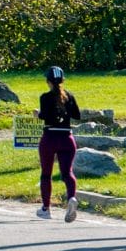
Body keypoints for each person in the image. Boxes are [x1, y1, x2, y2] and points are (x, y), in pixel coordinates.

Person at [35, 67, 80, 222]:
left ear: (48, 81)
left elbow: (45, 115)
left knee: (46, 173)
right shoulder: (70, 96)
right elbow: (77, 115)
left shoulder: (45, 97)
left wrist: (38, 114)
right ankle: (71, 198)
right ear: (63, 80)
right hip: (67, 138)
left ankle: (46, 208)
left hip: (50, 138)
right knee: (67, 172)